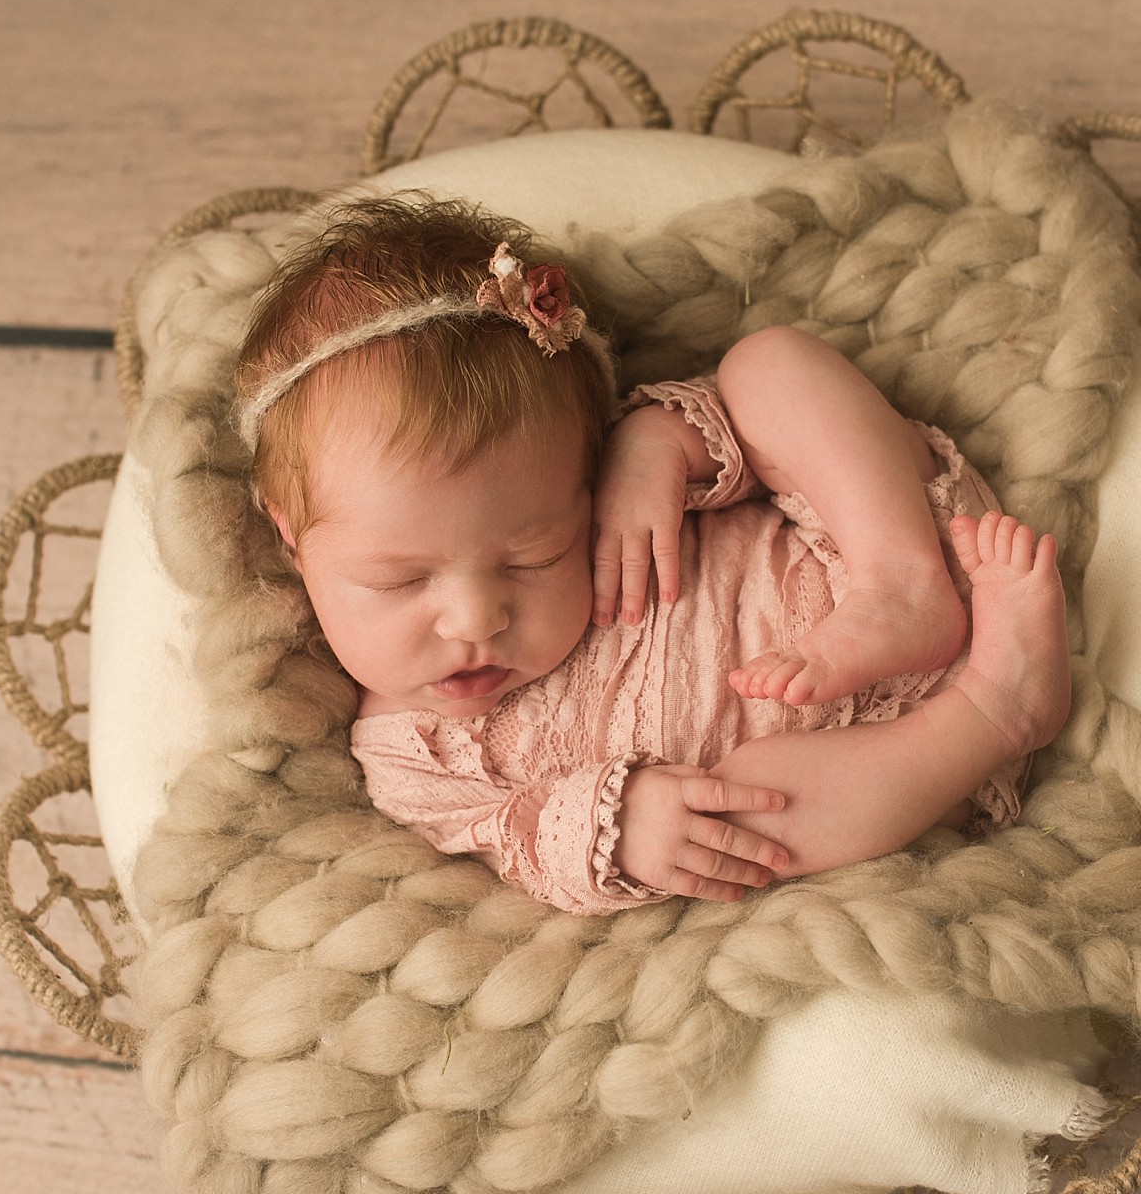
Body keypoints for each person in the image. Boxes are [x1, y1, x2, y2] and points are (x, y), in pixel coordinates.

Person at [234, 195, 1072, 915]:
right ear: (289, 533)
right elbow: (511, 842)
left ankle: (903, 585)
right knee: (747, 810)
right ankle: (1001, 705)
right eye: (401, 578)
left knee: (768, 365)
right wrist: (617, 829)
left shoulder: (597, 486)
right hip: (895, 771)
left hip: (878, 529)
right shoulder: (404, 754)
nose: (476, 617)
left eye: (535, 556)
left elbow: (748, 446)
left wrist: (661, 446)